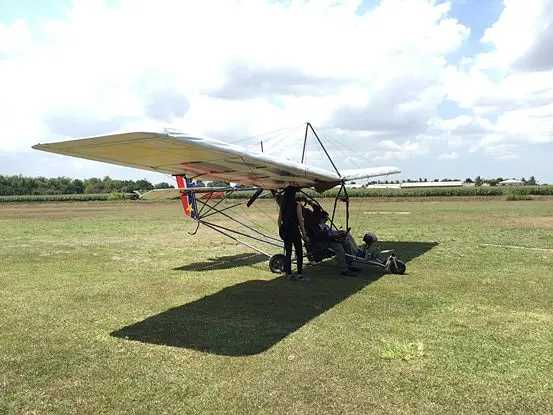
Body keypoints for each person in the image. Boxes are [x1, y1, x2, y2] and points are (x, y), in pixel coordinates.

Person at [309, 211, 361, 277]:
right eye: (326, 218)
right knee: (339, 247)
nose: (326, 220)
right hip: (323, 242)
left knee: (346, 243)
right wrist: (335, 236)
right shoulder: (315, 227)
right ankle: (344, 269)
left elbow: (331, 232)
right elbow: (321, 236)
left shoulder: (325, 225)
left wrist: (339, 234)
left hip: (331, 239)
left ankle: (350, 263)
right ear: (321, 218)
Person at [278, 187, 309, 280]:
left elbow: (279, 220)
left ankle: (288, 273)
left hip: (286, 231)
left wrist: (281, 230)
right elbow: (300, 220)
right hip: (294, 231)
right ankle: (299, 273)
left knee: (288, 252)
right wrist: (304, 234)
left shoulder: (283, 205)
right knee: (299, 252)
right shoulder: (297, 205)